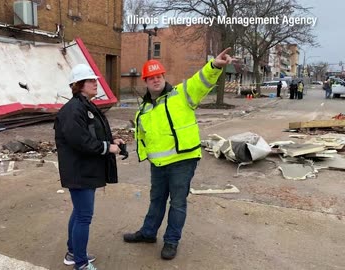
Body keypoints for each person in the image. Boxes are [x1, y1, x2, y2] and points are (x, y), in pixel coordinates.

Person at [123, 48, 234, 260]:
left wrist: (215, 66)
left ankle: (171, 241)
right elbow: (144, 140)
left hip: (183, 160)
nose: (156, 80)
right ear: (145, 82)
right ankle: (148, 233)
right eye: (151, 78)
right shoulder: (143, 111)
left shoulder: (182, 94)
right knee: (156, 200)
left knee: (177, 203)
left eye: (159, 76)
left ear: (164, 77)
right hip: (159, 165)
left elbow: (200, 80)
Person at [54, 64, 123, 270]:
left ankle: (73, 253)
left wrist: (113, 140)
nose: (96, 83)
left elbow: (92, 133)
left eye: (95, 79)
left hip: (86, 169)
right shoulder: (74, 109)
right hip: (79, 171)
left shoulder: (85, 106)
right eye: (91, 80)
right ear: (79, 84)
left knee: (79, 212)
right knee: (84, 216)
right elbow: (80, 140)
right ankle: (81, 263)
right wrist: (106, 147)